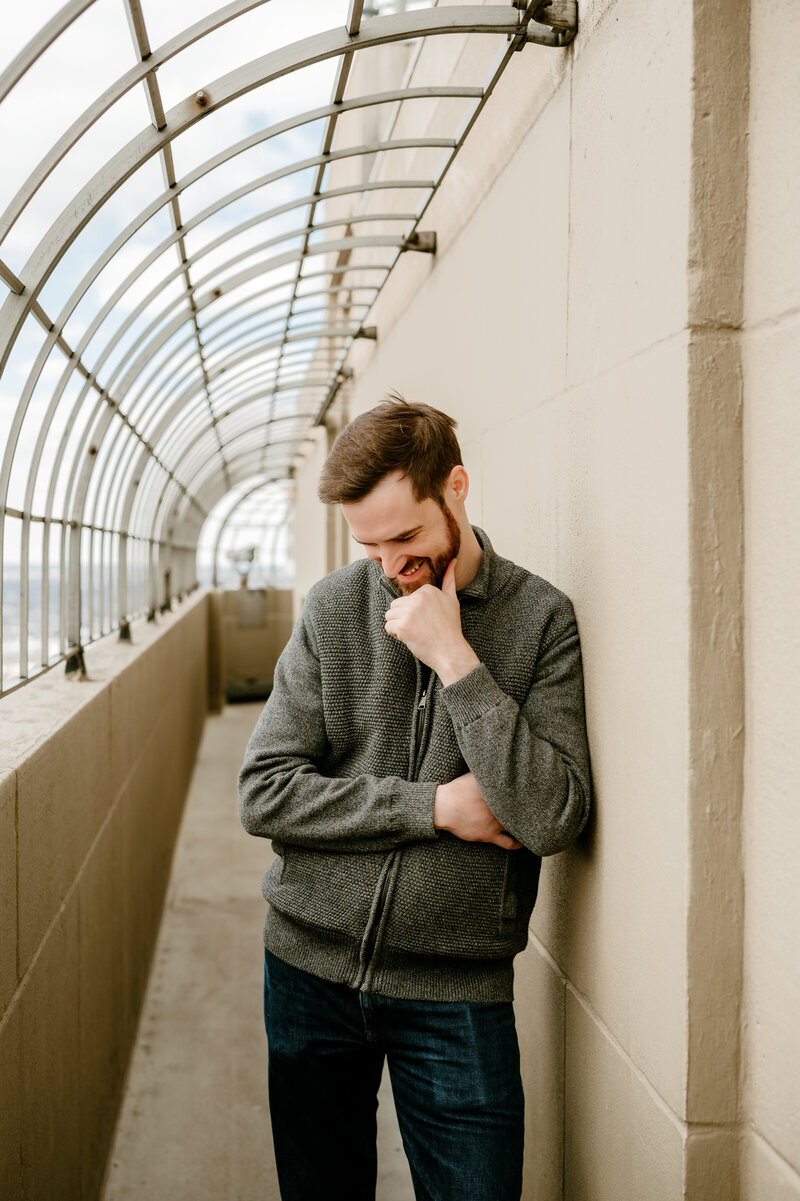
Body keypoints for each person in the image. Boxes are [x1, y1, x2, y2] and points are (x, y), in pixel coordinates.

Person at [238, 395, 591, 1201]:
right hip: (307, 970)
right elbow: (264, 791)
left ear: (456, 487)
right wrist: (434, 808)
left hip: (456, 992)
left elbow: (552, 813)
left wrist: (458, 659)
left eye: (407, 540)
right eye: (371, 546)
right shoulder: (334, 609)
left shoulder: (540, 622)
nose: (392, 568)